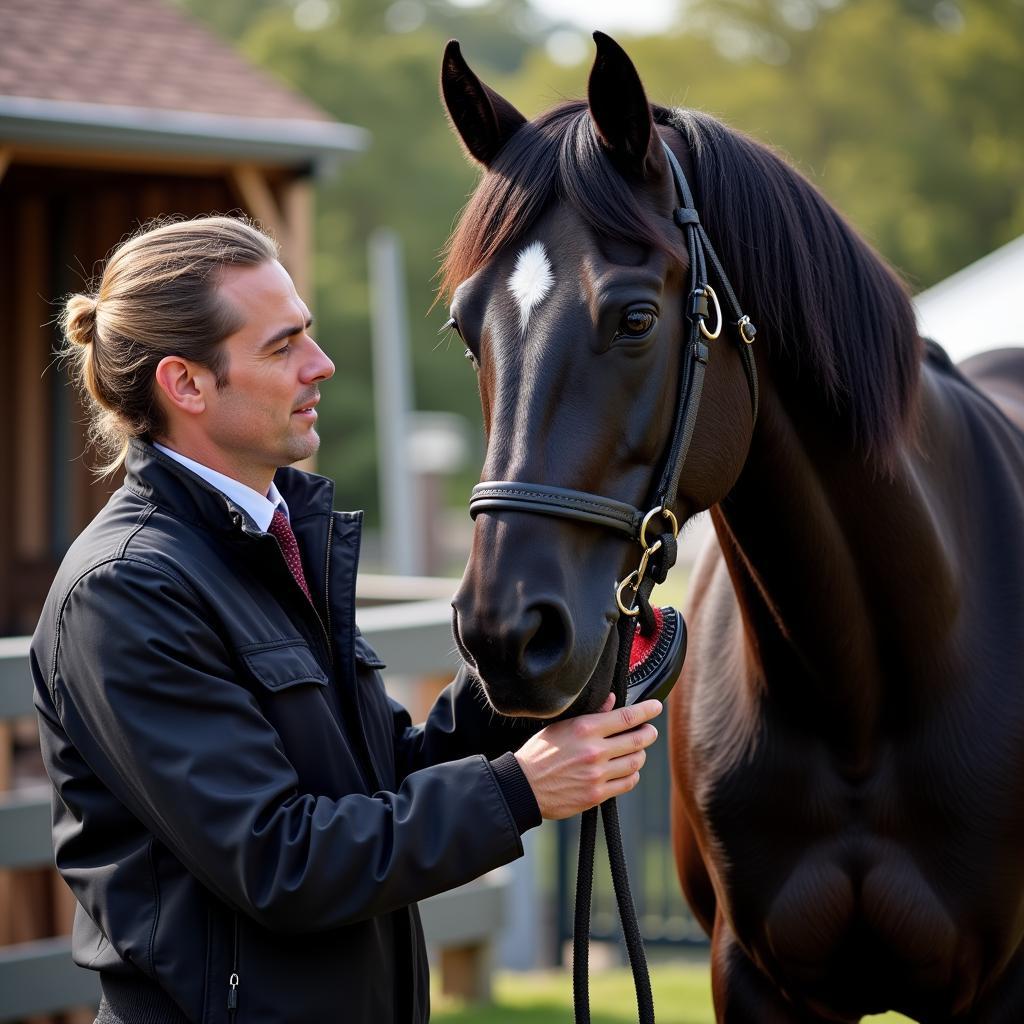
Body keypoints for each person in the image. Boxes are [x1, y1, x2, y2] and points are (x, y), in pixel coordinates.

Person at [30, 215, 663, 1024]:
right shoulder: (125, 591)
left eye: (310, 335)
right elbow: (279, 859)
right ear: (185, 384)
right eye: (281, 346)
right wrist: (520, 791)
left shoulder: (271, 541)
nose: (320, 366)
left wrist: (528, 673)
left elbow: (377, 778)